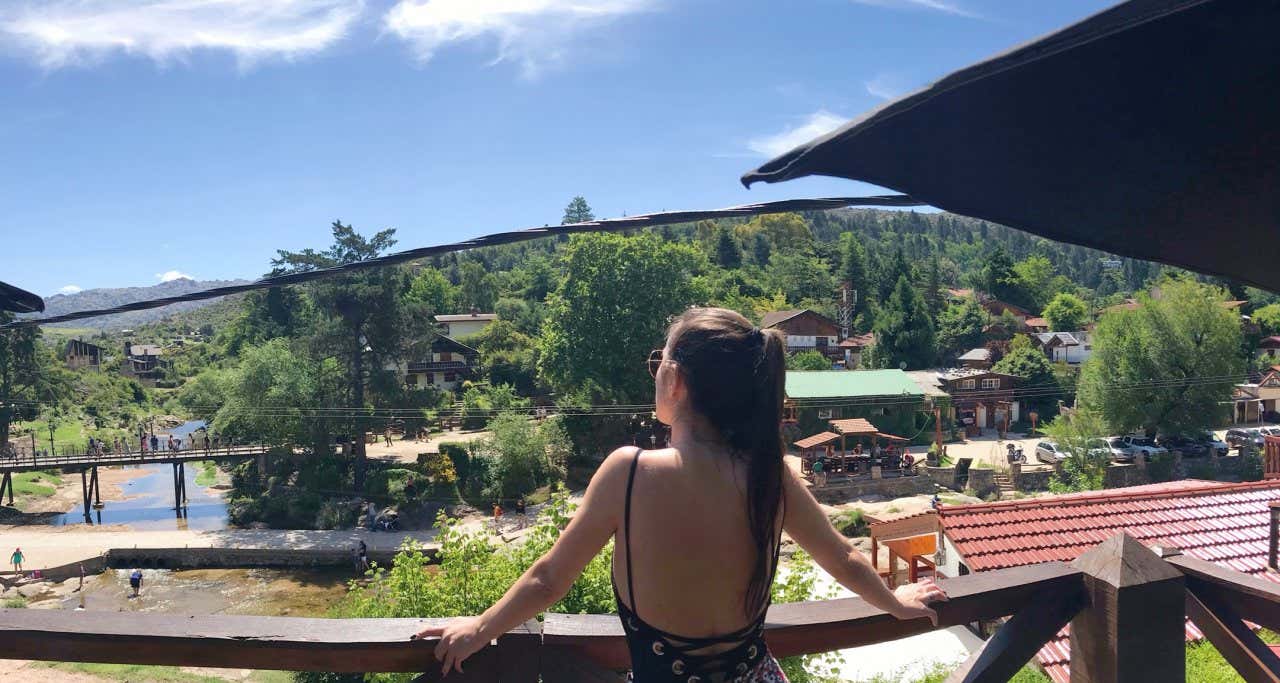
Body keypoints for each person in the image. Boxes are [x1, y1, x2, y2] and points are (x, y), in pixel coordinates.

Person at [412, 307, 946, 679]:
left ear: (677, 380)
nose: (655, 373)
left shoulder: (629, 471)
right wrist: (894, 604)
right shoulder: (768, 474)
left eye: (658, 362)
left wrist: (480, 629)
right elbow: (846, 557)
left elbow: (549, 578)